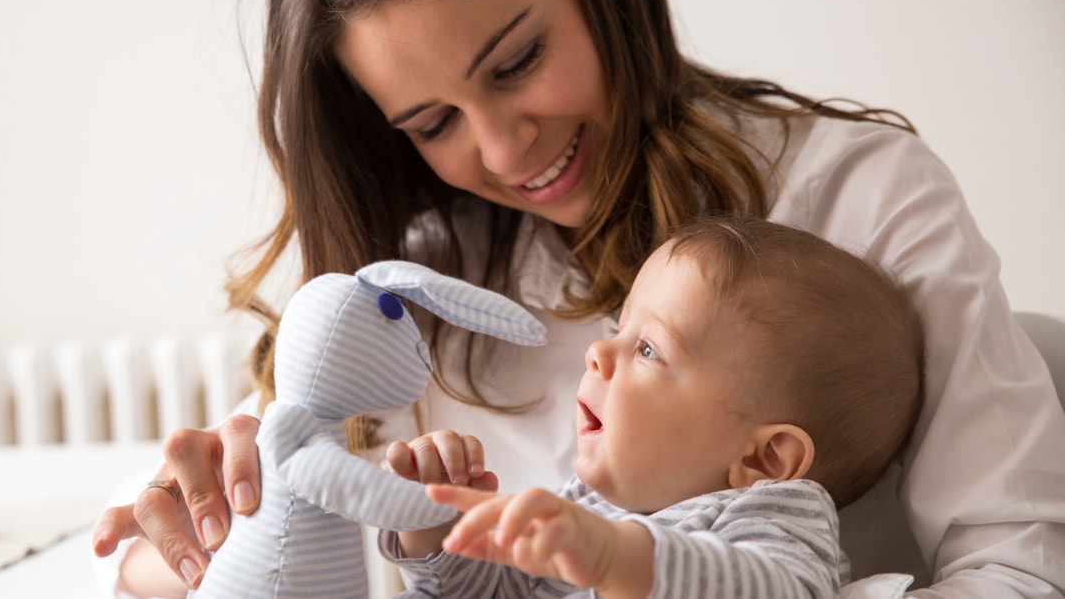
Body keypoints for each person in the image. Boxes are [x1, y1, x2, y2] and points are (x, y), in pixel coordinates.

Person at [90, 0, 1065, 597]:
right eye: (432, 123)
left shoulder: (860, 197)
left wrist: (627, 565)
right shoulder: (413, 286)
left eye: (515, 63)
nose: (507, 153)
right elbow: (168, 561)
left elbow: (1018, 571)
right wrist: (203, 534)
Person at [380, 215, 925, 598]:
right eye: (620, 329)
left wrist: (622, 560)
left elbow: (775, 591)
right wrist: (437, 530)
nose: (597, 352)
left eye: (647, 349)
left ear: (765, 460)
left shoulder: (769, 519)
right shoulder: (591, 506)